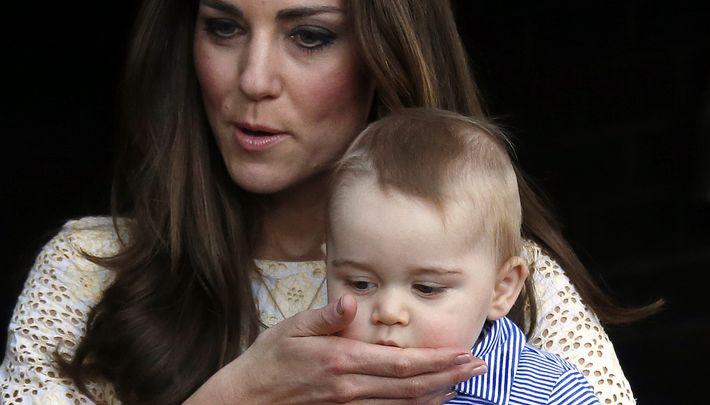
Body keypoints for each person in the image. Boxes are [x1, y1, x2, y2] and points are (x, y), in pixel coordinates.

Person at [1, 0, 658, 404]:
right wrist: (242, 395)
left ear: (384, 50)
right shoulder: (89, 269)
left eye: (309, 35)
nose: (253, 79)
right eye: (223, 26)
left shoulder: (518, 280)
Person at [325, 108, 600, 404]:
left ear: (501, 289)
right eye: (360, 283)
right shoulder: (312, 383)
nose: (389, 312)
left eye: (426, 288)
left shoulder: (549, 392)